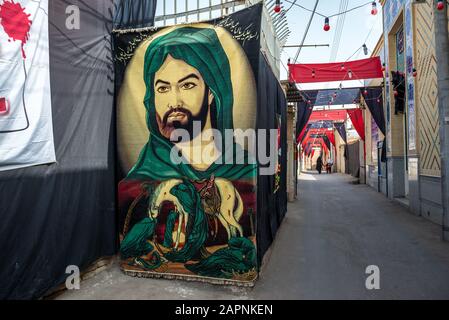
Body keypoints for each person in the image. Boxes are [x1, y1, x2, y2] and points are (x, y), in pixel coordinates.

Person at [118, 27, 257, 279]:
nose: (174, 101)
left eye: (188, 85)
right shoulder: (143, 174)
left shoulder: (244, 169)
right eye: (162, 88)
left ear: (212, 91)